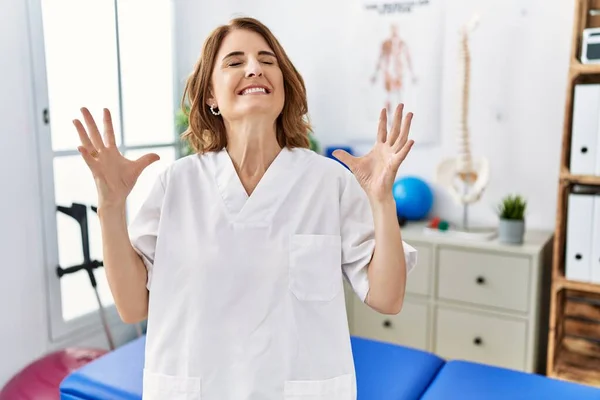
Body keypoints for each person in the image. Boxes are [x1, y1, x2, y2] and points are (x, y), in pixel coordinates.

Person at [73, 16, 417, 400]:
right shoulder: (177, 184)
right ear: (210, 97)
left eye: (267, 60)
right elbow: (132, 306)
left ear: (284, 87)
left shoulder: (328, 181)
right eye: (235, 62)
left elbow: (387, 297)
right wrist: (111, 204)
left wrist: (382, 199)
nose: (254, 67)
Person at [371, 23, 417, 121]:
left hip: (398, 73)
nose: (394, 32)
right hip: (388, 73)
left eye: (396, 29)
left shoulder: (402, 43)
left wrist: (412, 74)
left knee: (399, 95)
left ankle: (398, 120)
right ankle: (389, 119)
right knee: (389, 96)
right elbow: (380, 58)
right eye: (393, 29)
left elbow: (408, 58)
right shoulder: (385, 43)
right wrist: (375, 74)